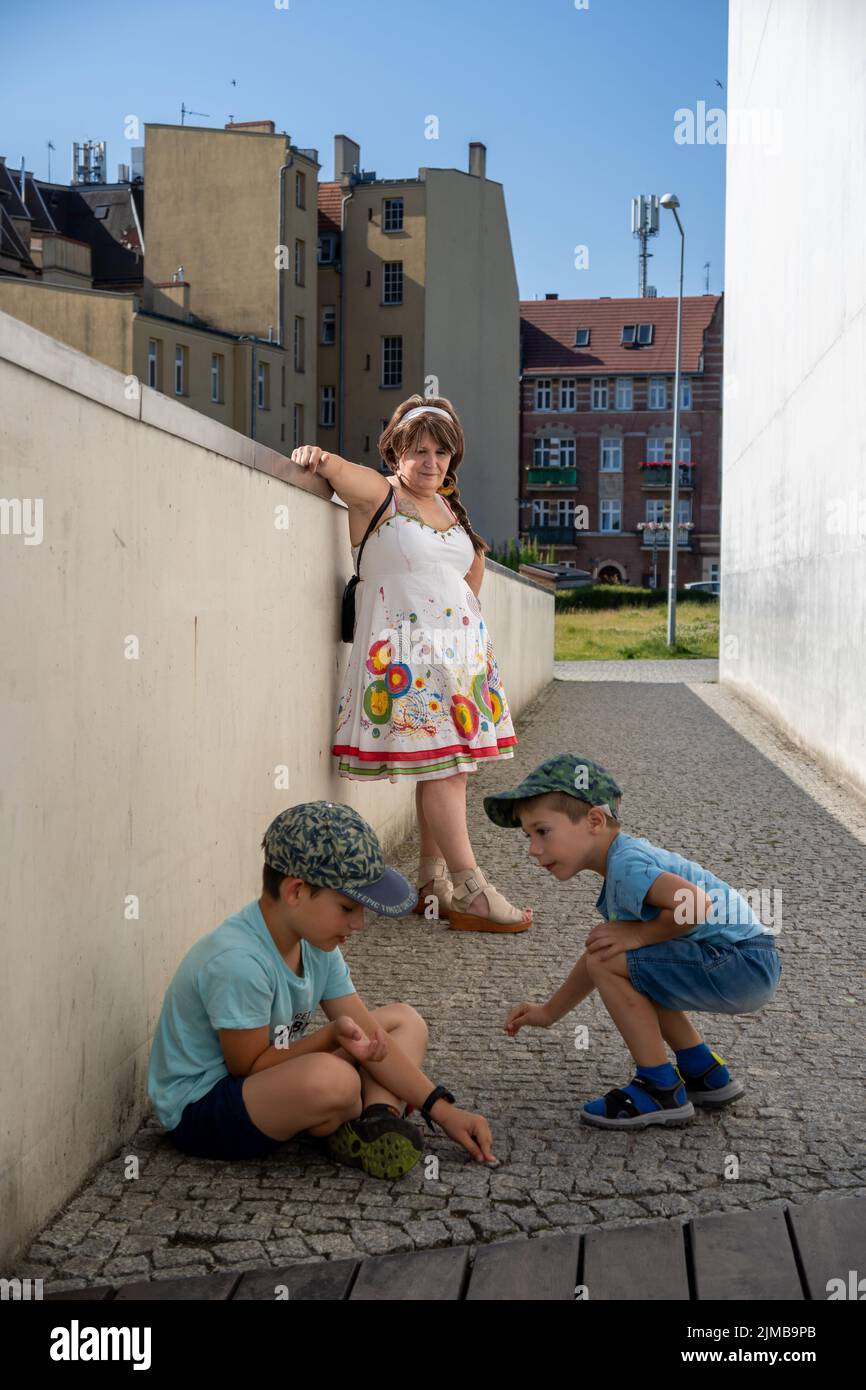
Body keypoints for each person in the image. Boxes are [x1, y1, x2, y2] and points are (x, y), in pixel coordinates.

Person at [147, 801, 496, 1174]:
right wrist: (330, 1038)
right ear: (296, 891)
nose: (359, 923)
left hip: (269, 1083)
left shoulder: (316, 941)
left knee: (404, 1022)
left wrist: (443, 1110)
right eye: (347, 908)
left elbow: (369, 1032)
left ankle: (378, 1119)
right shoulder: (237, 961)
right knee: (337, 1082)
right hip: (204, 1109)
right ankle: (344, 1114)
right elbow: (246, 1068)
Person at [290, 394, 532, 934]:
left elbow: (467, 581)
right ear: (396, 453)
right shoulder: (380, 496)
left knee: (450, 768)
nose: (431, 462)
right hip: (407, 661)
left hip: (457, 660)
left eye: (442, 452)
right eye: (418, 450)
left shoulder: (450, 511)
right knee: (447, 771)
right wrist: (315, 456)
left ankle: (433, 883)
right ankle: (472, 889)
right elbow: (331, 467)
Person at [484, 754, 782, 1129]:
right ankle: (704, 1072)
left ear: (595, 820)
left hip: (740, 963)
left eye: (542, 831)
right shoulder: (622, 862)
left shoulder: (625, 866)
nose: (532, 848)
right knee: (631, 962)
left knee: (624, 958)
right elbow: (605, 953)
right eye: (529, 836)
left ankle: (659, 1087)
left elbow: (696, 904)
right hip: (747, 959)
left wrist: (638, 933)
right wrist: (549, 1012)